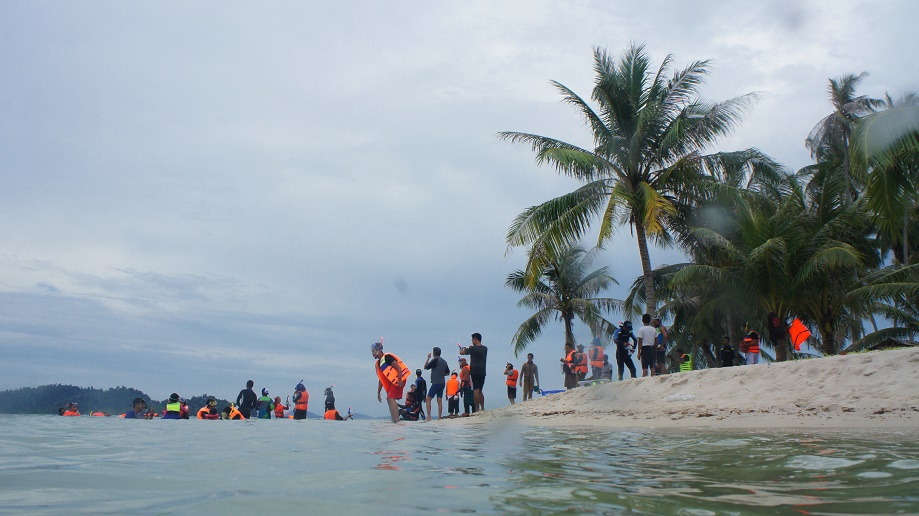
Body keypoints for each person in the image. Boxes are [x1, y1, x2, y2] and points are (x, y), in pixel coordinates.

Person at [372, 339, 410, 423]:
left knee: (390, 398)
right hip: (394, 381)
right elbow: (381, 379)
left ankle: (396, 419)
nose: (372, 353)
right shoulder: (379, 363)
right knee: (389, 398)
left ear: (379, 350)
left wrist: (400, 379)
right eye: (372, 351)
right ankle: (394, 419)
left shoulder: (387, 357)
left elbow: (398, 367)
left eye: (374, 351)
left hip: (399, 379)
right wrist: (378, 392)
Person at [459, 332, 487, 412]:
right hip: (482, 371)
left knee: (476, 390)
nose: (472, 341)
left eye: (472, 340)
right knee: (480, 390)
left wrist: (462, 348)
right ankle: (482, 407)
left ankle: (477, 409)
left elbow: (462, 352)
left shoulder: (473, 349)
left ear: (475, 339)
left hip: (474, 371)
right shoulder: (485, 348)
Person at [423, 346, 450, 420]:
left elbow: (425, 367)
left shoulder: (435, 360)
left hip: (436, 382)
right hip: (442, 382)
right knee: (439, 400)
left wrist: (428, 358)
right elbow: (448, 372)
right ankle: (439, 417)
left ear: (434, 353)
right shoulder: (444, 361)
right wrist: (441, 374)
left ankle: (429, 416)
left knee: (428, 399)